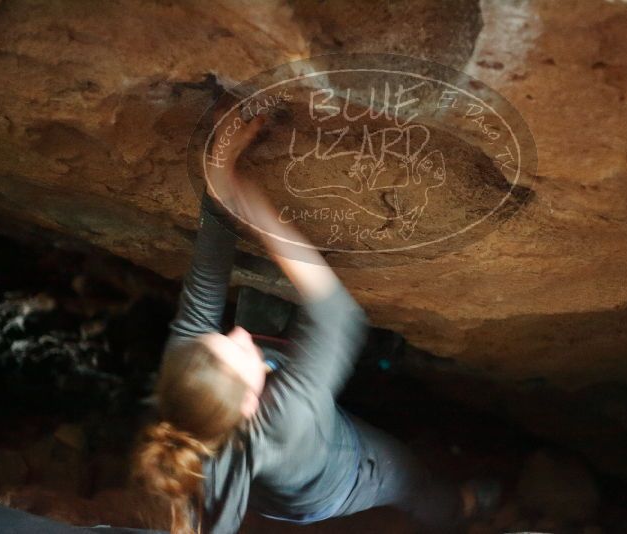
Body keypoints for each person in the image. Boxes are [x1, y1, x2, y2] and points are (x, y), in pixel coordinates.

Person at [133, 112, 499, 534]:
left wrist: (216, 177)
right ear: (250, 403)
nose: (234, 333)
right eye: (235, 350)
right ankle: (461, 508)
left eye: (217, 341)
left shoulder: (185, 370)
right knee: (410, 477)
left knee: (260, 313)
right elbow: (336, 312)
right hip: (336, 481)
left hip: (274, 441)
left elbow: (206, 283)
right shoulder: (285, 421)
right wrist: (252, 208)